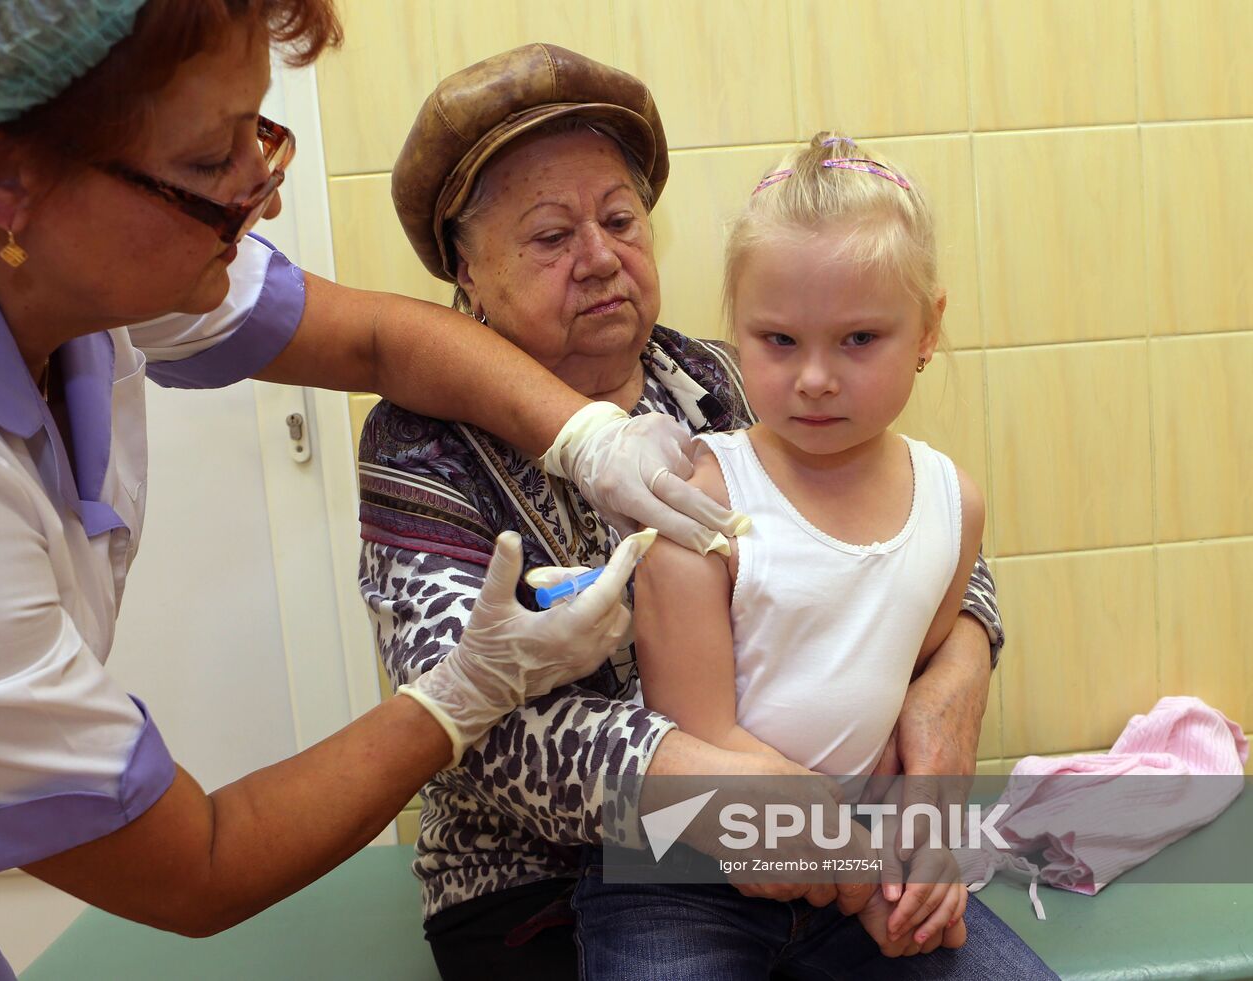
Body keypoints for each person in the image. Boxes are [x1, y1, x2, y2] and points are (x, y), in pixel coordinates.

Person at [0, 4, 745, 978]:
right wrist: (802, 826)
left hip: (744, 827)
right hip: (565, 883)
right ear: (2, 177)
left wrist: (943, 662)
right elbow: (198, 865)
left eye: (619, 219)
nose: (261, 198)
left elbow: (878, 534)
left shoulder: (714, 379)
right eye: (207, 161)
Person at [360, 44, 1014, 980]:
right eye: (550, 237)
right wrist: (777, 814)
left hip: (834, 841)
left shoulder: (725, 376)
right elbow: (475, 729)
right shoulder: (420, 445)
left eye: (621, 219)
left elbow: (922, 553)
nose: (599, 259)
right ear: (465, 270)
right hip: (544, 883)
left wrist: (953, 682)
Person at [573, 133, 1059, 979]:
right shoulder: (699, 494)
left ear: (929, 328)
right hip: (684, 874)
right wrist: (866, 876)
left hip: (857, 861)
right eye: (779, 341)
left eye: (860, 338)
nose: (816, 379)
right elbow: (701, 740)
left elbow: (912, 689)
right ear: (737, 331)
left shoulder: (953, 506)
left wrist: (925, 852)